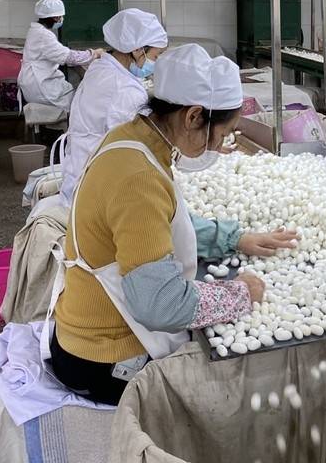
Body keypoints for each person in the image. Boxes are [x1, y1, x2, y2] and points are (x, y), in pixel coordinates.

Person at [44, 44, 297, 405]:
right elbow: (160, 305)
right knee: (234, 391)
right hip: (105, 358)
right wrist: (240, 294)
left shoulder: (132, 138)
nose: (219, 146)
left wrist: (233, 238)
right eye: (222, 134)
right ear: (193, 116)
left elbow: (158, 223)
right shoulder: (138, 177)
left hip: (82, 336)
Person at [59, 9, 168, 204]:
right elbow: (132, 145)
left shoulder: (101, 67)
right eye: (156, 56)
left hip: (80, 168)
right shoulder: (124, 88)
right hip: (96, 188)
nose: (156, 62)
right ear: (138, 50)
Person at [17, 0, 102, 114]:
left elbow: (59, 53)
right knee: (78, 103)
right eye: (61, 17)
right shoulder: (43, 35)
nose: (62, 19)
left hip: (34, 82)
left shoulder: (36, 31)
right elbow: (68, 57)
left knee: (73, 94)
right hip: (41, 86)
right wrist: (94, 54)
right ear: (56, 17)